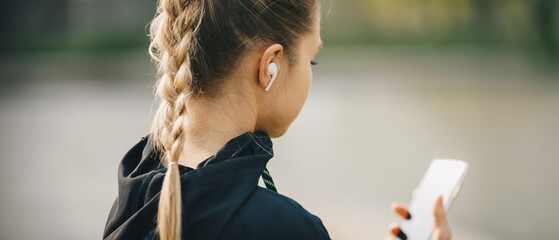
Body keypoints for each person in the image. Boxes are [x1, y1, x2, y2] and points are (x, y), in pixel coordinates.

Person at [103, 0, 452, 239]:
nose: (310, 75)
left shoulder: (134, 192)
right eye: (310, 60)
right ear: (270, 65)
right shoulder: (284, 228)